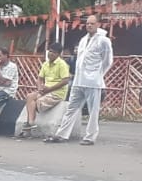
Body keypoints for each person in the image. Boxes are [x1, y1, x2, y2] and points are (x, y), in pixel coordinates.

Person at [47, 15, 113, 146]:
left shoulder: (103, 41)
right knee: (71, 108)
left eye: (92, 23)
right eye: (87, 23)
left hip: (93, 81)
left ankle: (90, 137)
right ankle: (62, 134)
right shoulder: (83, 40)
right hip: (78, 79)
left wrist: (99, 74)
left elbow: (108, 61)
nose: (89, 26)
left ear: (98, 24)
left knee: (93, 110)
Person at [19, 42, 71, 138]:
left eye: (54, 53)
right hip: (45, 90)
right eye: (50, 51)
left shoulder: (62, 64)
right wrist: (40, 88)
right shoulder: (45, 64)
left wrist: (49, 89)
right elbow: (40, 78)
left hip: (57, 93)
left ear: (58, 54)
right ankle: (30, 123)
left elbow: (65, 81)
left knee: (35, 102)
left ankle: (29, 126)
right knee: (29, 96)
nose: (51, 54)